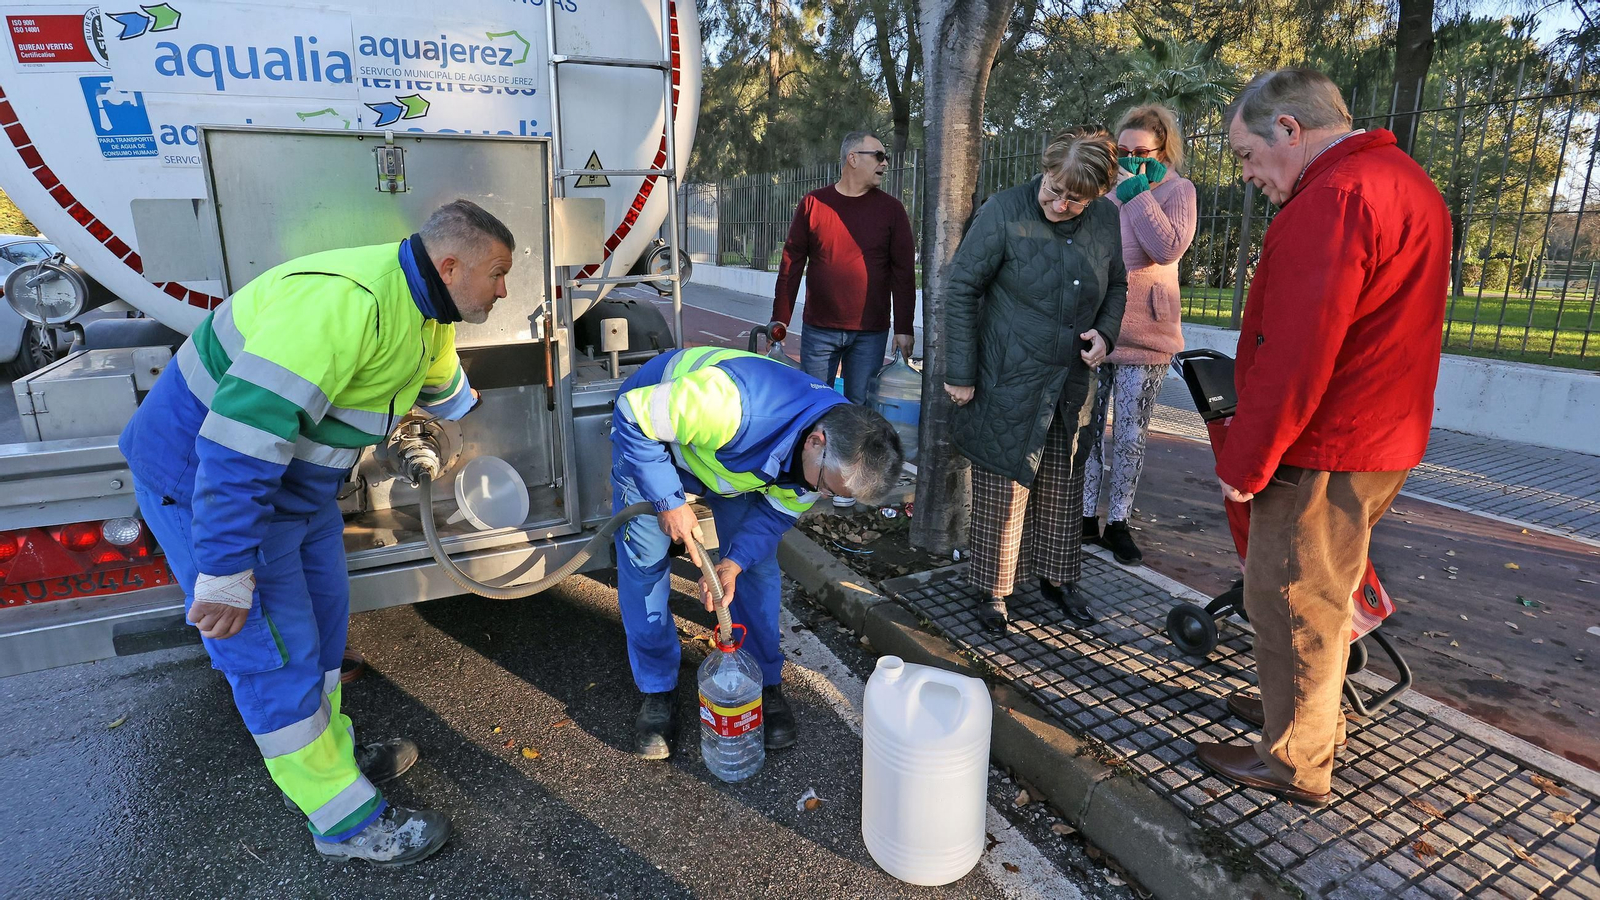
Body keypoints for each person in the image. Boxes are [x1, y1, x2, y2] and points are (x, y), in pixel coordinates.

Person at [118, 200, 515, 865]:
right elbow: (238, 447)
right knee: (276, 654)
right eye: (498, 275)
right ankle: (345, 823)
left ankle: (333, 754)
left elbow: (446, 392)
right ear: (449, 265)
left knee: (326, 632)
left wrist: (437, 438)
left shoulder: (430, 312)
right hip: (210, 487)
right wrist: (224, 570)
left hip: (295, 494)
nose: (504, 291)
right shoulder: (344, 305)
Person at [1194, 69, 1450, 805]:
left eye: (1247, 155)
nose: (1247, 176)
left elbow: (1296, 353)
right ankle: (1300, 717)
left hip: (1329, 442)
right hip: (1381, 434)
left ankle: (1296, 760)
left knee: (1290, 598)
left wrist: (1246, 458)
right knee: (1323, 593)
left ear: (1288, 131)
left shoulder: (1333, 199)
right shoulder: (1401, 180)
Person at [610, 347, 904, 759]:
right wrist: (669, 501)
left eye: (833, 495)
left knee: (757, 569)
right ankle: (658, 689)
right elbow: (631, 414)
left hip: (730, 463)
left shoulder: (828, 452)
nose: (820, 496)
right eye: (825, 487)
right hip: (653, 440)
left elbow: (773, 517)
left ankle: (763, 680)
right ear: (816, 442)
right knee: (645, 567)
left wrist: (733, 562)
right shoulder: (729, 405)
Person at [943, 126, 1128, 632]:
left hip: (1072, 381)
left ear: (1098, 195)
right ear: (1045, 170)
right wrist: (959, 372)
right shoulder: (1004, 210)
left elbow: (1116, 285)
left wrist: (1106, 336)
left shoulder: (1108, 220)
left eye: (1076, 199)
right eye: (1055, 190)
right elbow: (961, 289)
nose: (1061, 203)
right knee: (1003, 485)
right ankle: (992, 591)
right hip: (1008, 374)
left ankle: (1057, 579)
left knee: (1064, 483)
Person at [771, 131, 917, 507]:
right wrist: (780, 320)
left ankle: (845, 485)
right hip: (819, 328)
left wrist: (904, 327)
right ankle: (802, 478)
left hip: (870, 331)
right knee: (810, 405)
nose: (885, 163)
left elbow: (904, 272)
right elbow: (792, 264)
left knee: (857, 409)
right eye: (878, 156)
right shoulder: (814, 204)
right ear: (853, 157)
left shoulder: (891, 210)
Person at [1082, 104, 1198, 566]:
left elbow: (1166, 248)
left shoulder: (1178, 191)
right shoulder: (1104, 193)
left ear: (1162, 149)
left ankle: (1120, 522)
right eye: (1122, 151)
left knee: (1130, 435)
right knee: (1087, 430)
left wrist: (1136, 191)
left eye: (1140, 151)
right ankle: (1087, 515)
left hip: (1147, 335)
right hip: (1099, 329)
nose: (1129, 158)